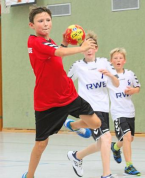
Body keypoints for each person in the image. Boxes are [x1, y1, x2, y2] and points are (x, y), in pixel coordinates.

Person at [22, 7, 101, 178]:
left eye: (48, 20)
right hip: (47, 101)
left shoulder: (48, 41)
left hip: (68, 94)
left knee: (96, 124)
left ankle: (71, 125)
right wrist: (82, 47)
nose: (45, 24)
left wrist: (64, 42)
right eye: (40, 21)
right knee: (42, 143)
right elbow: (59, 52)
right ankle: (29, 175)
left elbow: (56, 56)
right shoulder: (35, 42)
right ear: (31, 25)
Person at [64, 31, 119, 178]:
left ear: (96, 48)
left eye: (92, 46)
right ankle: (106, 174)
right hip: (88, 107)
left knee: (102, 144)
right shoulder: (77, 66)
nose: (89, 49)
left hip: (103, 108)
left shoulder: (104, 63)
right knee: (107, 138)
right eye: (86, 46)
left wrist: (110, 75)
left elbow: (117, 83)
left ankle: (76, 155)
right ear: (82, 48)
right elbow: (65, 82)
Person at [108, 48, 141, 176]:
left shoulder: (130, 74)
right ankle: (129, 166)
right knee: (126, 136)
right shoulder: (109, 76)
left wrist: (133, 90)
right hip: (118, 112)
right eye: (115, 58)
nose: (118, 60)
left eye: (120, 58)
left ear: (124, 61)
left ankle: (115, 147)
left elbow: (138, 88)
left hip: (130, 111)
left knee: (129, 138)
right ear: (111, 61)